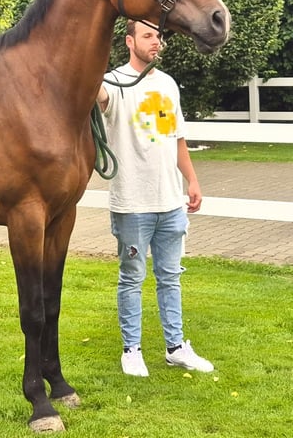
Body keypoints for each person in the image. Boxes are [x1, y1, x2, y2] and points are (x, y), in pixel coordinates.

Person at [97, 19, 214, 377]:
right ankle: (131, 350)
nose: (156, 41)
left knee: (170, 277)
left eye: (158, 36)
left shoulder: (167, 84)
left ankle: (175, 348)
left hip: (171, 202)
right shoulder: (112, 83)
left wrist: (192, 180)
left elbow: (178, 138)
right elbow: (93, 93)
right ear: (129, 42)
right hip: (133, 204)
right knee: (132, 278)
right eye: (147, 35)